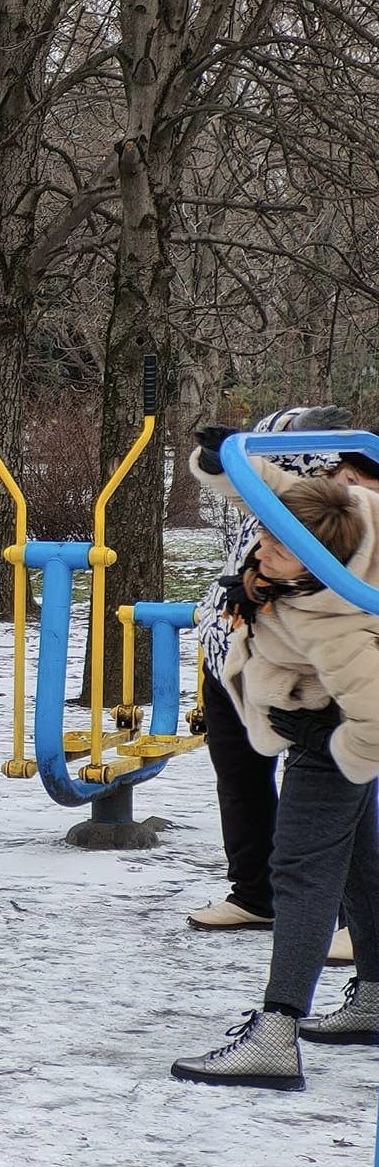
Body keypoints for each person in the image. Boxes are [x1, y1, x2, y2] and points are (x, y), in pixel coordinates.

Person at [171, 451, 379, 1090]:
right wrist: (220, 458)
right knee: (359, 864)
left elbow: (374, 723)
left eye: (278, 551)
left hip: (335, 732)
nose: (261, 552)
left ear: (318, 564)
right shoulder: (343, 513)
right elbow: (272, 487)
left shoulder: (338, 624)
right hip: (317, 717)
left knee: (301, 870)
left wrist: (334, 754)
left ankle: (276, 1031)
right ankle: (374, 997)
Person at [185, 408, 357, 938]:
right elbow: (221, 474)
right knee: (240, 778)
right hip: (233, 656)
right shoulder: (261, 492)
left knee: (335, 796)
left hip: (308, 665)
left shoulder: (334, 498)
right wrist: (212, 457)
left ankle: (358, 919)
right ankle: (256, 894)